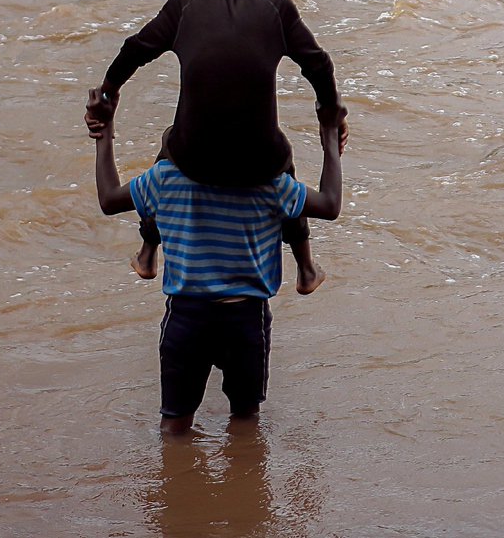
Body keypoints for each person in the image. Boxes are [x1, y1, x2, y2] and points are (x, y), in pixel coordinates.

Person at [91, 0, 349, 295]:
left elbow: (135, 50)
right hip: (258, 164)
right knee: (284, 155)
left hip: (192, 159)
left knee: (169, 142)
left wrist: (107, 95)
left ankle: (149, 251)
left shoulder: (186, 2)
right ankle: (305, 268)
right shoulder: (276, 5)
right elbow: (319, 65)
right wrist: (330, 115)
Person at [84, 88, 342, 435]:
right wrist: (329, 140)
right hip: (245, 317)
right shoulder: (273, 184)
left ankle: (175, 485)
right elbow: (329, 204)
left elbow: (109, 198)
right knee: (245, 421)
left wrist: (105, 131)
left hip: (186, 317)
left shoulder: (165, 177)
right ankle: (306, 269)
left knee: (174, 425)